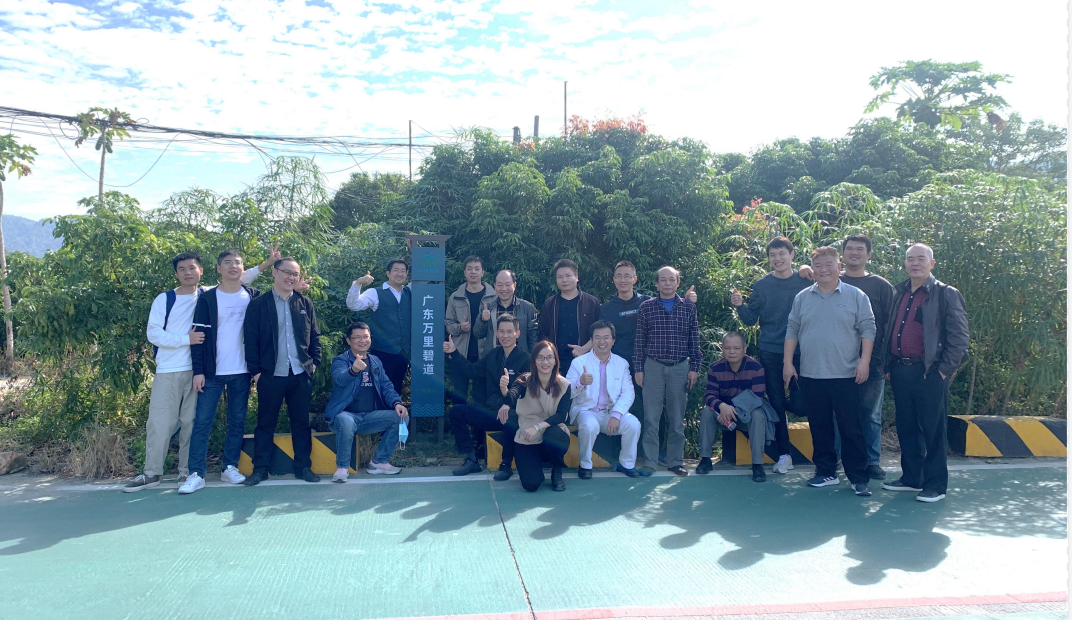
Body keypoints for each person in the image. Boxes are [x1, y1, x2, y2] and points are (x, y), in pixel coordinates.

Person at [784, 247, 876, 496]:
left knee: (851, 428)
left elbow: (868, 328)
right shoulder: (803, 297)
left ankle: (858, 477)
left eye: (829, 264)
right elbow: (792, 329)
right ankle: (825, 472)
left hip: (846, 374)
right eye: (818, 265)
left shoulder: (856, 295)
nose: (823, 269)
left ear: (839, 266)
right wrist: (787, 363)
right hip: (811, 374)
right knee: (819, 426)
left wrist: (864, 361)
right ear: (812, 269)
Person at [882, 244, 969, 503]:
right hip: (901, 369)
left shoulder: (945, 293)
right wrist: (888, 365)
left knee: (933, 430)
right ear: (905, 263)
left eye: (921, 259)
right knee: (907, 427)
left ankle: (935, 485)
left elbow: (959, 337)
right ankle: (912, 478)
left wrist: (943, 371)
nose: (915, 263)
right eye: (910, 259)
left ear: (932, 263)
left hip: (929, 372)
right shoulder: (899, 292)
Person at [124, 252, 206, 492]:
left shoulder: (208, 294)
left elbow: (238, 277)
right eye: (182, 269)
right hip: (169, 370)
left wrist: (268, 264)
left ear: (201, 271)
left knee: (191, 423)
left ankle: (186, 472)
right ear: (176, 274)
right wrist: (186, 339)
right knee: (160, 423)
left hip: (198, 371)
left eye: (192, 267)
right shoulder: (165, 299)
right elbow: (154, 334)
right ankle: (152, 473)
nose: (188, 272)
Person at [730, 236, 810, 475]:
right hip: (771, 350)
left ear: (792, 255)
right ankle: (785, 454)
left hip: (803, 351)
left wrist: (808, 268)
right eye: (772, 255)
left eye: (782, 253)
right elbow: (749, 319)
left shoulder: (806, 280)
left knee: (803, 403)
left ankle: (825, 452)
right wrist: (740, 305)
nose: (777, 259)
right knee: (776, 403)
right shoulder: (762, 285)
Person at [181, 250, 259, 493]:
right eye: (227, 263)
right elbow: (198, 337)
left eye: (237, 263)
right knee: (202, 422)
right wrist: (198, 371)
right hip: (212, 372)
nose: (233, 266)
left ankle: (229, 468)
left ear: (243, 268)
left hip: (242, 372)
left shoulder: (252, 296)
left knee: (237, 422)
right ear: (218, 268)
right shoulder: (208, 298)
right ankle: (196, 473)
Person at [242, 257, 322, 486]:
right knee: (265, 423)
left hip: (300, 374)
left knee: (301, 423)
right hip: (270, 375)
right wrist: (256, 372)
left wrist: (314, 362)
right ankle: (260, 469)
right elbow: (250, 339)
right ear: (274, 273)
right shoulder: (259, 304)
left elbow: (314, 336)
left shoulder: (304, 303)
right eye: (286, 272)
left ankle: (303, 467)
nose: (291, 277)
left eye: (295, 274)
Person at [444, 314, 530, 479]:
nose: (505, 336)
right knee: (456, 411)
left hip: (515, 414)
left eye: (509, 332)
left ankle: (505, 464)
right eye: (502, 331)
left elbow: (524, 389)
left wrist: (508, 404)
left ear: (517, 334)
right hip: (492, 412)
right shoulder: (492, 355)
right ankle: (471, 459)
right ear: (496, 333)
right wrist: (454, 353)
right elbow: (471, 371)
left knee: (512, 416)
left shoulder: (525, 359)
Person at [633, 266, 701, 476]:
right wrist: (638, 369)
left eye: (672, 279)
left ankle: (675, 462)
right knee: (651, 418)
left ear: (678, 283)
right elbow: (639, 341)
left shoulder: (688, 307)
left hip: (679, 367)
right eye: (663, 279)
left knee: (676, 418)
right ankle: (650, 461)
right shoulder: (646, 307)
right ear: (656, 283)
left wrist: (694, 368)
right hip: (652, 366)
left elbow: (694, 340)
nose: (667, 283)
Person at [839, 234, 895, 480]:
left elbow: (892, 325)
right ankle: (838, 460)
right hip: (836, 363)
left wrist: (888, 361)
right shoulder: (831, 281)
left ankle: (872, 461)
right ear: (842, 253)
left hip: (873, 362)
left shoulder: (881, 286)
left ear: (869, 254)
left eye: (860, 249)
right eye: (849, 248)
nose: (854, 252)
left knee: (870, 415)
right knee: (838, 415)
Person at [324, 322, 409, 482]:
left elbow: (386, 386)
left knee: (401, 418)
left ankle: (379, 462)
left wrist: (397, 403)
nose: (362, 341)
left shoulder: (375, 361)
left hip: (368, 417)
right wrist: (354, 370)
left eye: (366, 337)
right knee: (346, 420)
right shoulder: (340, 360)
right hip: (343, 417)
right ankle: (342, 468)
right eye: (357, 337)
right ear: (348, 340)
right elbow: (340, 379)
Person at [565, 320, 644, 478]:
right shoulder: (578, 363)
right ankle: (585, 465)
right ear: (591, 340)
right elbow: (566, 393)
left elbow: (628, 392)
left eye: (606, 337)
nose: (602, 342)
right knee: (589, 425)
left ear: (613, 340)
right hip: (586, 411)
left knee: (633, 424)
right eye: (598, 337)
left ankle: (626, 464)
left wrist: (617, 414)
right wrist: (580, 382)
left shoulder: (622, 364)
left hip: (611, 412)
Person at [698, 332, 769, 481]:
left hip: (746, 415)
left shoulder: (756, 367)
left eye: (736, 348)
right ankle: (705, 459)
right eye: (727, 348)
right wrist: (722, 406)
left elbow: (757, 398)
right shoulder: (715, 368)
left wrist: (731, 410)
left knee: (758, 414)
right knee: (706, 412)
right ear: (722, 348)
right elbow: (709, 395)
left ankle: (757, 465)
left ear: (744, 349)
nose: (732, 352)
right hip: (722, 416)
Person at [506, 341, 572, 492]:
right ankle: (535, 465)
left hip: (550, 430)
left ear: (555, 360)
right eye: (540, 357)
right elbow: (511, 398)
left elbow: (561, 416)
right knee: (531, 484)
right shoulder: (524, 380)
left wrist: (538, 427)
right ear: (534, 361)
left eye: (549, 357)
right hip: (528, 436)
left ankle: (556, 469)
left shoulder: (564, 385)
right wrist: (504, 390)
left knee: (555, 434)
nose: (545, 362)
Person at [347, 258, 411, 396]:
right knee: (379, 390)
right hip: (382, 352)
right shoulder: (375, 293)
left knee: (396, 389)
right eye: (396, 270)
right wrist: (358, 283)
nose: (400, 274)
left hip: (403, 352)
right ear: (388, 273)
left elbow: (424, 277)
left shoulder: (409, 291)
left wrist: (415, 249)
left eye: (403, 271)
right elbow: (354, 305)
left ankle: (394, 410)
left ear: (407, 274)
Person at [445, 256, 498, 404]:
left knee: (480, 398)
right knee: (459, 397)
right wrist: (460, 328)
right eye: (469, 269)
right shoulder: (455, 297)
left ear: (483, 272)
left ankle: (477, 421)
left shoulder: (494, 296)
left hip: (484, 354)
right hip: (460, 353)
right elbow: (448, 323)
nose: (473, 272)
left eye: (477, 269)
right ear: (464, 272)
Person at [538, 259, 600, 374]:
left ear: (576, 277)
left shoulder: (591, 302)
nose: (564, 280)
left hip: (585, 359)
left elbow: (599, 331)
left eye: (568, 275)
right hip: (556, 362)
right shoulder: (550, 304)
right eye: (560, 277)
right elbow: (543, 333)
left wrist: (584, 349)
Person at [484, 269, 539, 356]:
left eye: (507, 284)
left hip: (520, 359)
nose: (504, 288)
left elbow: (533, 338)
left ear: (514, 285)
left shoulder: (528, 308)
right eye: (500, 285)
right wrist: (483, 320)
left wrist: (532, 359)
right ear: (494, 286)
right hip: (494, 359)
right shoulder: (488, 308)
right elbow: (478, 334)